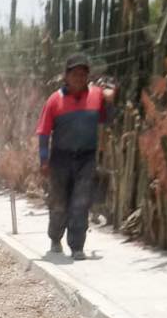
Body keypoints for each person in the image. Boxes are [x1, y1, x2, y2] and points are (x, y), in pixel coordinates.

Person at [35, 53, 113, 260]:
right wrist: (44, 160)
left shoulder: (97, 96)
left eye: (83, 74)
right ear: (66, 76)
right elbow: (43, 132)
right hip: (60, 159)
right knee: (59, 202)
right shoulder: (55, 100)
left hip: (86, 158)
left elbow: (106, 119)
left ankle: (77, 246)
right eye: (75, 74)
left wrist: (111, 100)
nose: (79, 78)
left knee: (80, 202)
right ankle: (55, 238)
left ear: (88, 76)